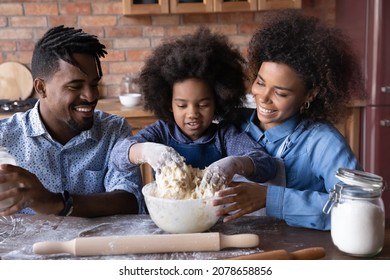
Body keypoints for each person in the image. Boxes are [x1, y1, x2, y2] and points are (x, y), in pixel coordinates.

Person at [213, 10, 365, 230]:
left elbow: (358, 208)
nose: (263, 98)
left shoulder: (322, 142)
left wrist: (272, 198)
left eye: (281, 93)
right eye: (260, 82)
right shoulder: (233, 124)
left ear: (309, 94)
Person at [0, 26, 144, 217]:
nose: (91, 96)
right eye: (75, 86)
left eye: (94, 84)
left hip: (96, 246)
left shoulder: (113, 130)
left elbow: (130, 201)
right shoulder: (5, 138)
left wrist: (59, 203)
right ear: (41, 88)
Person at [111, 27, 276, 189]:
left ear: (218, 101)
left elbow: (267, 166)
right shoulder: (161, 131)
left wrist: (236, 163)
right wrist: (144, 151)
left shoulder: (225, 135)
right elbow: (117, 156)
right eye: (182, 105)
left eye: (203, 104)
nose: (192, 114)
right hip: (168, 212)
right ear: (169, 104)